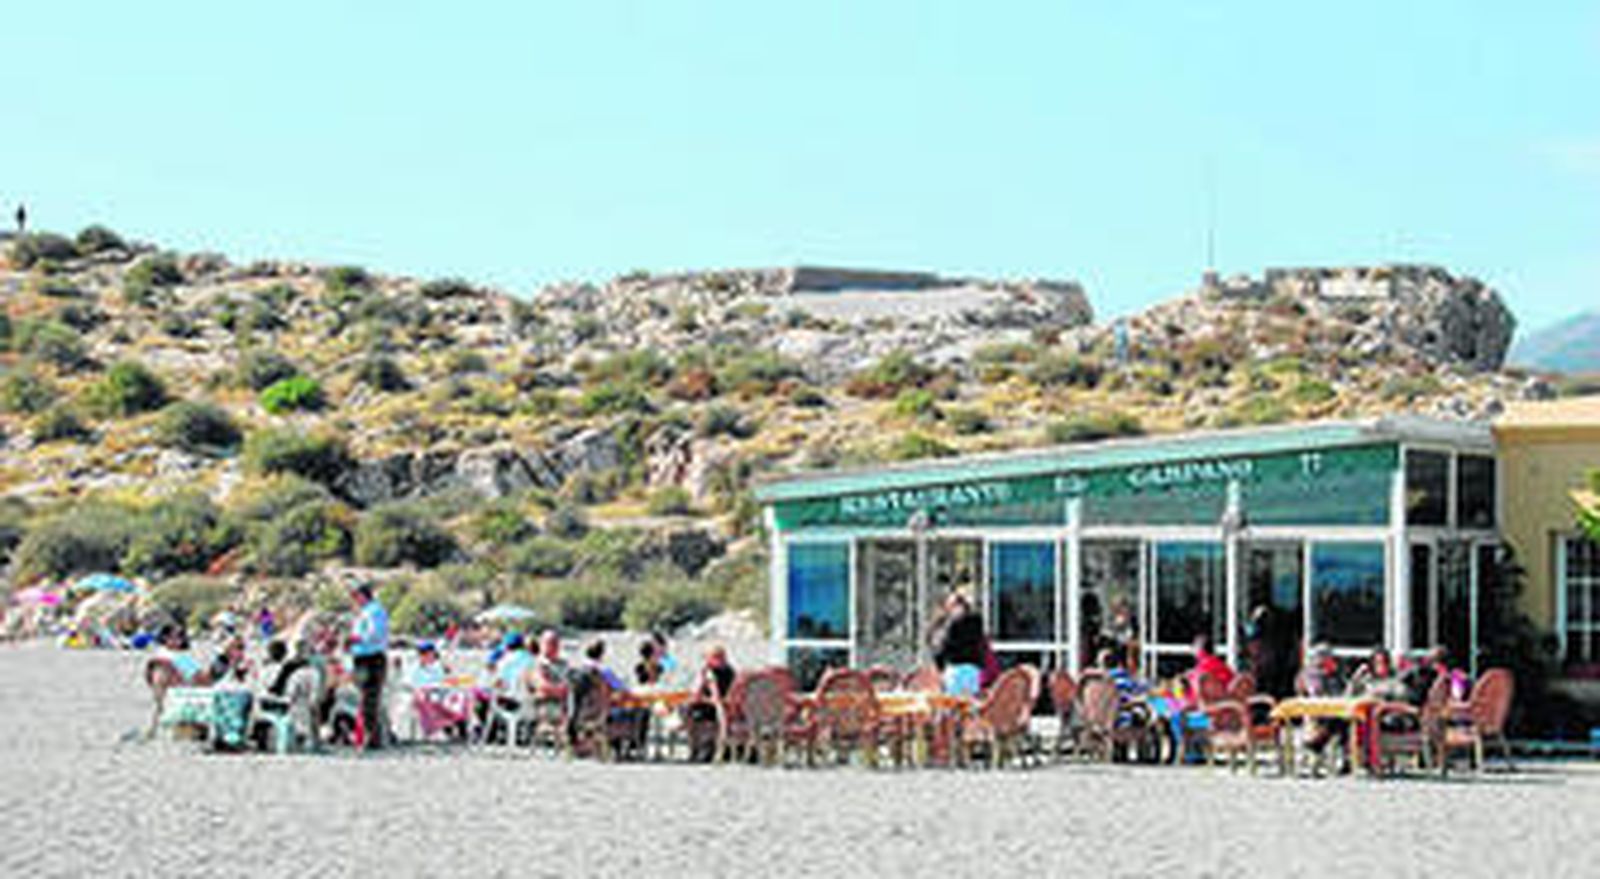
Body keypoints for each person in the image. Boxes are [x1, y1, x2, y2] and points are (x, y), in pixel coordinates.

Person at [345, 582, 390, 751]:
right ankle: (370, 736)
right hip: (363, 657)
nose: (354, 600)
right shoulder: (365, 612)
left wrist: (355, 639)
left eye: (355, 596)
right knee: (364, 698)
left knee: (369, 699)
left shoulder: (374, 611)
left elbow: (375, 634)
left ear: (363, 596)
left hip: (371, 658)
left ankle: (372, 738)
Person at [928, 591, 986, 697]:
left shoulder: (948, 624)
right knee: (967, 701)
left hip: (959, 667)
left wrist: (940, 667)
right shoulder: (973, 622)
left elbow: (939, 647)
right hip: (965, 667)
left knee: (956, 701)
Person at [685, 644, 735, 762]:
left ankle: (696, 748)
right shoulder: (731, 671)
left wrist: (701, 693)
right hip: (728, 709)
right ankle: (699, 747)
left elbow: (712, 696)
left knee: (687, 709)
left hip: (714, 710)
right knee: (688, 708)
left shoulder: (710, 673)